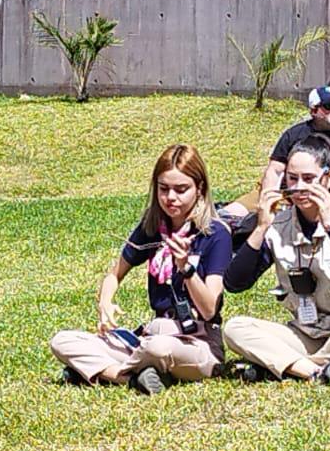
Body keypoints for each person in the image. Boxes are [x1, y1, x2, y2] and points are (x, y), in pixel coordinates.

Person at [49, 144, 232, 396]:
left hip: (197, 341)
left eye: (181, 190)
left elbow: (210, 308)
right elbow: (114, 274)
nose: (171, 198)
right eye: (163, 189)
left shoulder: (215, 234)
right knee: (62, 341)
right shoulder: (152, 227)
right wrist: (105, 303)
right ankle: (129, 378)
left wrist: (186, 268)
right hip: (152, 333)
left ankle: (99, 371)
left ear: (199, 189)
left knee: (158, 348)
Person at [222, 137, 330, 383]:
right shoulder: (278, 225)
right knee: (236, 328)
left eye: (308, 178)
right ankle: (315, 372)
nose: (298, 187)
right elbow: (235, 283)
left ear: (329, 178)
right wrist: (261, 226)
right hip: (310, 333)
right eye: (292, 178)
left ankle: (284, 365)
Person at [222, 85, 330, 233]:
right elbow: (275, 169)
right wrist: (268, 199)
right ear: (314, 110)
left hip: (322, 197)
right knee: (226, 216)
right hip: (287, 193)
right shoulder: (295, 134)